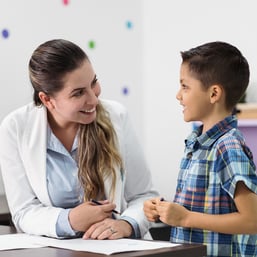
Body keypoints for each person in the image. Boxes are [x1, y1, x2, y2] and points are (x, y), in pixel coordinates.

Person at [0, 39, 158, 239]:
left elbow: (144, 196)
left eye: (94, 83)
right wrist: (70, 220)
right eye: (78, 93)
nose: (93, 99)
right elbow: (23, 211)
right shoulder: (15, 128)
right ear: (47, 100)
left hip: (117, 247)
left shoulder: (116, 116)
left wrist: (127, 224)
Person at [144, 41, 257, 256]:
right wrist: (165, 211)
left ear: (214, 94)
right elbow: (202, 207)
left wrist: (185, 218)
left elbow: (252, 220)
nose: (178, 95)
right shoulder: (197, 143)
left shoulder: (228, 146)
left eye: (185, 86)